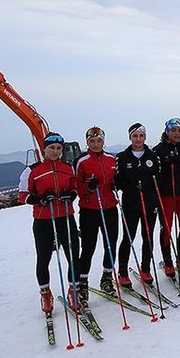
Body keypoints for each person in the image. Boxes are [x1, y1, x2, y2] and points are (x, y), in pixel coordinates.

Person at [19, 132, 81, 312]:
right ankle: (45, 294)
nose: (55, 151)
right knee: (43, 258)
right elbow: (22, 195)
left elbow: (74, 187)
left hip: (65, 217)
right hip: (43, 220)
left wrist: (72, 194)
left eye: (58, 148)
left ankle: (74, 290)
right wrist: (39, 199)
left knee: (73, 256)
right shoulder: (32, 170)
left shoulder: (68, 167)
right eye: (51, 148)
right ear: (44, 149)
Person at [73, 126, 119, 299]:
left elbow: (116, 178)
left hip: (109, 208)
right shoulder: (81, 161)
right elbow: (76, 185)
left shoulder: (111, 159)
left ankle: (107, 277)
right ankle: (82, 281)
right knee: (88, 246)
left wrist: (115, 184)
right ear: (87, 143)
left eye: (99, 140)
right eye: (92, 141)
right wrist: (88, 188)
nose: (96, 144)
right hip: (89, 209)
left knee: (111, 243)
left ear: (103, 141)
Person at [114, 123, 162, 286]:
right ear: (130, 137)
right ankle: (122, 272)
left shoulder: (152, 155)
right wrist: (132, 188)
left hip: (149, 202)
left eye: (141, 135)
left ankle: (146, 268)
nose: (138, 139)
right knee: (128, 237)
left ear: (145, 137)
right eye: (135, 136)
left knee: (147, 236)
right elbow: (118, 180)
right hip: (131, 203)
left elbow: (159, 176)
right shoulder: (122, 156)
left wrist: (152, 186)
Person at [153, 118, 180, 276]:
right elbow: (155, 174)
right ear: (167, 131)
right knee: (167, 227)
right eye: (173, 130)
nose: (177, 133)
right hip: (166, 194)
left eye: (179, 130)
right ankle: (168, 261)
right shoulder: (159, 149)